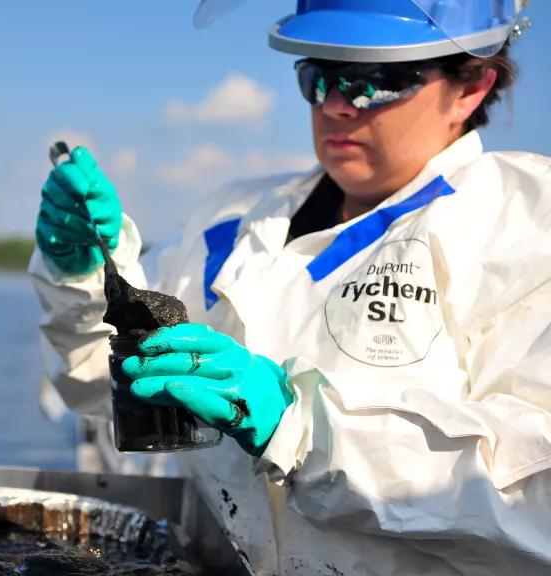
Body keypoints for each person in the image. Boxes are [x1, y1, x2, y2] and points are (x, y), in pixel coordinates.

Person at [29, 1, 551, 574]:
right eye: (317, 77)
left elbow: (535, 497)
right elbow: (101, 391)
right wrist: (81, 275)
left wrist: (301, 431)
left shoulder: (527, 223)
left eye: (373, 84)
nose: (334, 107)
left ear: (471, 87)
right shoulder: (230, 216)